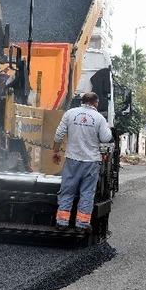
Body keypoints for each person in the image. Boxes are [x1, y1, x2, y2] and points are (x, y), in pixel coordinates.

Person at [51, 92, 113, 232]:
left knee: (67, 191)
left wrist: (55, 152)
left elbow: (59, 134)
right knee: (87, 193)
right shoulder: (99, 118)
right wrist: (107, 128)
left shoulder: (70, 113)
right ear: (96, 103)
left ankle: (62, 223)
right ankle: (81, 225)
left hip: (72, 159)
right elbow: (105, 138)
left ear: (82, 101)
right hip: (91, 162)